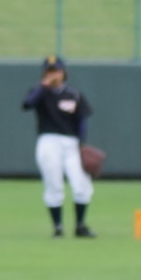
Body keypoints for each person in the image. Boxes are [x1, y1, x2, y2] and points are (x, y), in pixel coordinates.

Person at [25, 56, 94, 238]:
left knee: (81, 185)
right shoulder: (40, 93)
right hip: (49, 142)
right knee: (54, 184)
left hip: (71, 144)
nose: (53, 74)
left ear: (64, 72)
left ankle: (80, 226)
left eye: (56, 70)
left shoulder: (74, 94)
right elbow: (27, 104)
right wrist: (44, 86)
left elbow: (82, 121)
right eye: (49, 70)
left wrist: (82, 144)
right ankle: (58, 227)